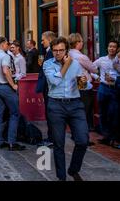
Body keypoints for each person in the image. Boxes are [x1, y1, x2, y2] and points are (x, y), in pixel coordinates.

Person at [43, 36, 89, 181]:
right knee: (58, 143)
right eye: (55, 50)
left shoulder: (75, 63)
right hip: (56, 105)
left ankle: (73, 169)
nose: (58, 53)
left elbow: (84, 86)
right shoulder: (48, 64)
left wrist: (84, 81)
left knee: (82, 140)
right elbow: (55, 81)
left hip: (75, 104)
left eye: (61, 50)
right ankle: (61, 177)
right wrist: (66, 65)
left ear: (66, 50)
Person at [0, 37, 25, 151]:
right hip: (5, 86)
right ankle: (11, 142)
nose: (8, 46)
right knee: (14, 113)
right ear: (3, 44)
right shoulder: (5, 56)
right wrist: (13, 85)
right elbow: (5, 70)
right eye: (7, 44)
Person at [68, 33, 98, 134]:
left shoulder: (68, 54)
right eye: (81, 41)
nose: (82, 43)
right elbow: (94, 69)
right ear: (77, 43)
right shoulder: (80, 56)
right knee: (85, 110)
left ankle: (76, 133)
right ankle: (83, 134)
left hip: (72, 83)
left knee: (77, 110)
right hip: (82, 82)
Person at [94, 41, 119, 146]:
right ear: (107, 48)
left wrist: (115, 79)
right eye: (110, 46)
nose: (111, 48)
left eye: (114, 47)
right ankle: (106, 136)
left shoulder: (118, 61)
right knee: (103, 113)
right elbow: (91, 68)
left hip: (115, 89)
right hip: (103, 88)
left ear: (117, 49)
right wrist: (98, 77)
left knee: (113, 114)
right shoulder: (101, 60)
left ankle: (113, 137)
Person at [36, 31, 56, 147]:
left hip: (49, 87)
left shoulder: (51, 53)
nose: (42, 42)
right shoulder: (47, 52)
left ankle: (52, 138)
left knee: (51, 113)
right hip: (47, 87)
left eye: (43, 40)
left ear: (49, 39)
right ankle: (51, 137)